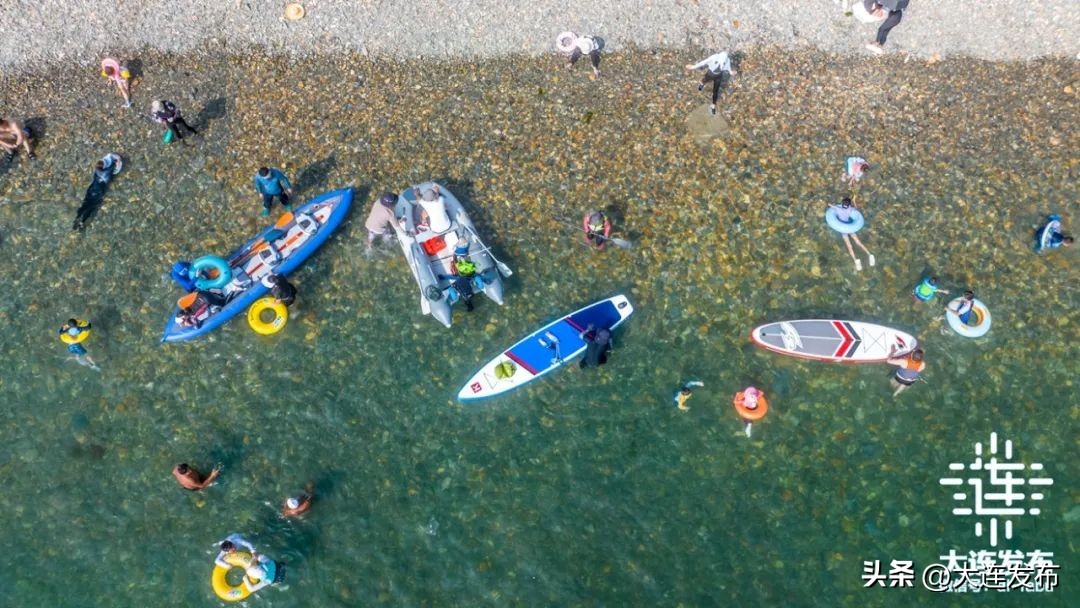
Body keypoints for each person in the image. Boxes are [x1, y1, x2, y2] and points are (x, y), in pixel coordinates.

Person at [73, 154, 123, 231]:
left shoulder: (97, 170)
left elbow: (107, 161)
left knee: (85, 204)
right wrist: (117, 161)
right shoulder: (106, 172)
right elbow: (115, 166)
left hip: (91, 189)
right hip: (98, 192)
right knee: (91, 207)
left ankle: (77, 217)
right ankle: (82, 222)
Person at [828, 197, 875, 271]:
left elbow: (830, 205)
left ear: (842, 204)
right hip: (850, 227)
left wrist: (833, 205)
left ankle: (856, 260)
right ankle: (870, 254)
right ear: (849, 205)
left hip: (843, 229)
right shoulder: (850, 209)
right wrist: (854, 201)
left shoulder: (838, 209)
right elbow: (855, 208)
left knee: (849, 246)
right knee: (858, 242)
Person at [685, 51, 737, 115]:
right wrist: (693, 67)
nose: (722, 64)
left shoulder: (727, 60)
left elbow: (729, 69)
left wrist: (732, 73)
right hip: (710, 73)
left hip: (718, 76)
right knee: (704, 80)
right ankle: (702, 84)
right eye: (722, 63)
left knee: (715, 91)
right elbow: (703, 62)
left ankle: (713, 105)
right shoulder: (714, 57)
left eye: (723, 63)